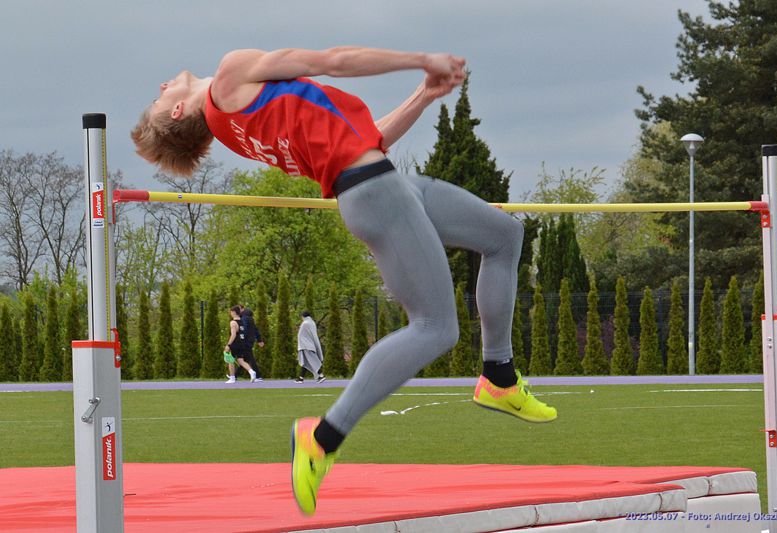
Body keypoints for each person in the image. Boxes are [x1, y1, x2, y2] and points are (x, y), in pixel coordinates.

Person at [131, 46, 557, 516]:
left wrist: (422, 94)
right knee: (435, 327)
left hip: (378, 180)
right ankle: (322, 437)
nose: (161, 85)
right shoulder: (230, 78)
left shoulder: (233, 126)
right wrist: (421, 60)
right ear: (177, 110)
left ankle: (499, 376)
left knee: (503, 235)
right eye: (160, 97)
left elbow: (367, 139)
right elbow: (332, 60)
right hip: (374, 192)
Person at [223, 306, 258, 384]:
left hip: (235, 344)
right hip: (241, 343)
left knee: (230, 360)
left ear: (234, 312)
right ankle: (252, 372)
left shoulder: (233, 322)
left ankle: (232, 378)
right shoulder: (242, 321)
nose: (230, 313)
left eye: (231, 312)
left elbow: (233, 335)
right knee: (241, 360)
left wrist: (228, 345)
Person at [296, 311, 325, 384]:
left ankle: (321, 375)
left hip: (306, 346)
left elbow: (301, 335)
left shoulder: (305, 323)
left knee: (313, 361)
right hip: (310, 345)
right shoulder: (312, 323)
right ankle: (301, 378)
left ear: (303, 316)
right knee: (305, 362)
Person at [239, 306, 265, 382]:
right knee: (244, 359)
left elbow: (245, 329)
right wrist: (259, 340)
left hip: (246, 341)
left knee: (249, 358)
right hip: (250, 340)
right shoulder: (250, 318)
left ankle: (258, 376)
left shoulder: (244, 318)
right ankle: (235, 375)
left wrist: (241, 339)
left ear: (242, 309)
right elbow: (255, 329)